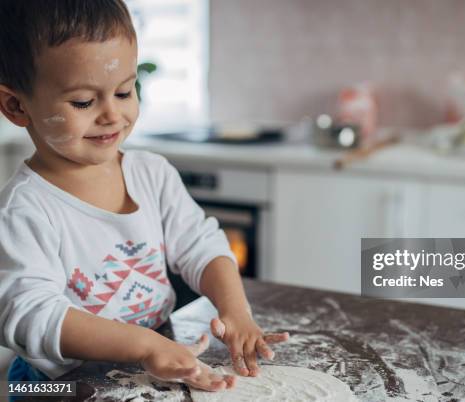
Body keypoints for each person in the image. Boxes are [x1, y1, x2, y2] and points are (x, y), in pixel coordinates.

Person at [0, 0, 288, 392]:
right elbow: (27, 314)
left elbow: (200, 244)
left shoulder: (151, 174)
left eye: (123, 91)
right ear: (16, 106)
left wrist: (235, 311)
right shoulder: (25, 210)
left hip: (156, 354)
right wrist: (142, 345)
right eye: (83, 101)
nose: (112, 115)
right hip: (59, 384)